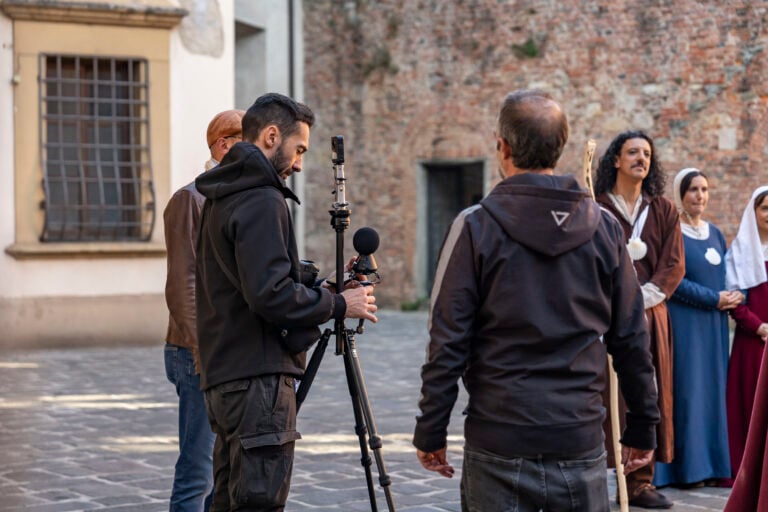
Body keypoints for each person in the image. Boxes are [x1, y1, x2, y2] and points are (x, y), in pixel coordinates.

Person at [413, 89, 660, 512]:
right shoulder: (604, 228)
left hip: (500, 436)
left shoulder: (474, 227)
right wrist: (643, 425)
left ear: (503, 147)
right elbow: (632, 338)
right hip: (577, 434)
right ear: (561, 147)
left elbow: (447, 339)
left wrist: (431, 429)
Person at [195, 92, 378, 512]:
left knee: (229, 502)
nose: (298, 164)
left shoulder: (224, 192)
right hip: (256, 381)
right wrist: (340, 306)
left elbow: (252, 282)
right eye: (299, 150)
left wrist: (325, 288)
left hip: (227, 374)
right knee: (259, 503)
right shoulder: (260, 197)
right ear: (272, 136)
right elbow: (270, 294)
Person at [594, 130, 685, 509]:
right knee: (604, 394)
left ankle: (639, 482)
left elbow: (673, 263)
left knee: (648, 392)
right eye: (632, 152)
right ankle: (597, 475)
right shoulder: (597, 207)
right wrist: (614, 302)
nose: (641, 159)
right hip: (605, 316)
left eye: (646, 153)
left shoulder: (663, 209)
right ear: (616, 160)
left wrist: (640, 299)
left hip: (650, 315)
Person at [163, 108, 244, 511]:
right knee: (197, 471)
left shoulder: (234, 199)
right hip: (197, 352)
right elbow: (182, 286)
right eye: (247, 142)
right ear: (224, 145)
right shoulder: (190, 199)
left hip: (224, 351)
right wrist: (203, 351)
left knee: (223, 468)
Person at [652, 168, 741, 489]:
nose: (699, 196)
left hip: (714, 326)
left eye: (704, 189)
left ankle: (712, 467)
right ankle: (685, 470)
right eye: (693, 190)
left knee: (712, 393)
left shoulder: (715, 233)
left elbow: (727, 274)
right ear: (680, 194)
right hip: (686, 323)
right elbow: (674, 282)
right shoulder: (672, 232)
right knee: (688, 392)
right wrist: (714, 298)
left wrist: (735, 295)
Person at [725, 185, 768, 480]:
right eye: (765, 208)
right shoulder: (740, 252)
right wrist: (759, 326)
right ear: (753, 212)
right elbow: (734, 301)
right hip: (752, 342)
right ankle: (747, 471)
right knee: (750, 406)